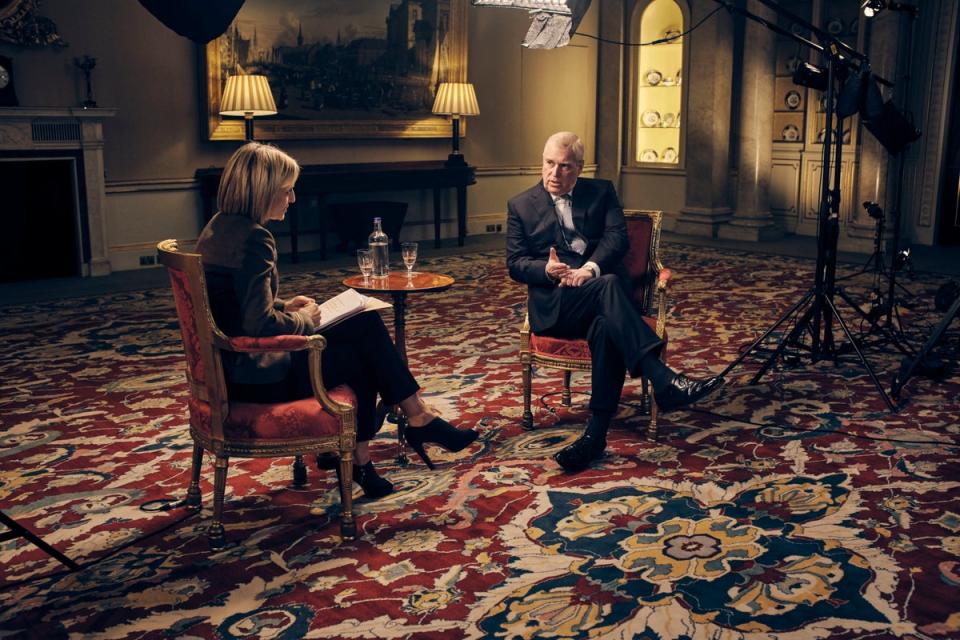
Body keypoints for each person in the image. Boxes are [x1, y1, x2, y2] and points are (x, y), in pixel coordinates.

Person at [196, 142, 478, 499]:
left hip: (227, 370)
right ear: (263, 192)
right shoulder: (255, 238)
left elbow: (232, 302)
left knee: (361, 331)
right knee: (362, 345)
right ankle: (413, 421)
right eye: (287, 190)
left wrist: (283, 303)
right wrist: (302, 318)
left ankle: (373, 452)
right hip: (256, 377)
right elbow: (259, 327)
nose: (293, 198)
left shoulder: (219, 228)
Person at [506, 131, 723, 472]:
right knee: (608, 286)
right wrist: (546, 270)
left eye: (564, 167)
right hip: (557, 307)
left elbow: (616, 238)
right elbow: (515, 263)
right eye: (549, 164)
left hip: (598, 298)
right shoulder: (520, 205)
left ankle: (595, 435)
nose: (554, 174)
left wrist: (590, 269)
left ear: (579, 168)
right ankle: (662, 379)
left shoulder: (601, 191)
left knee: (607, 324)